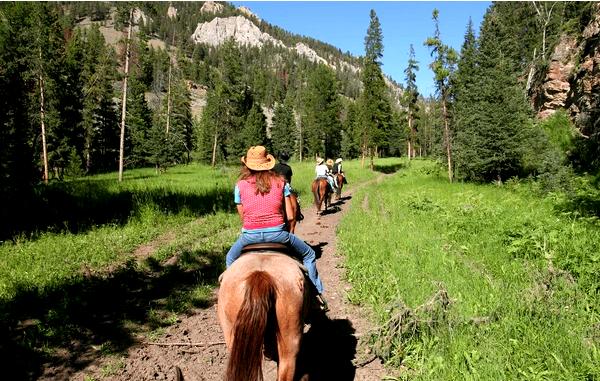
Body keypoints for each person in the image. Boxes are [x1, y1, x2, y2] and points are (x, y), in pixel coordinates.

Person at [226, 146, 327, 310]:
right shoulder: (281, 183)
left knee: (230, 259)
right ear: (268, 164)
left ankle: (231, 301)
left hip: (249, 237)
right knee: (309, 254)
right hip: (278, 235)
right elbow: (290, 216)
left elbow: (243, 217)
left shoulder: (240, 185)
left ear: (247, 166)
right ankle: (317, 294)